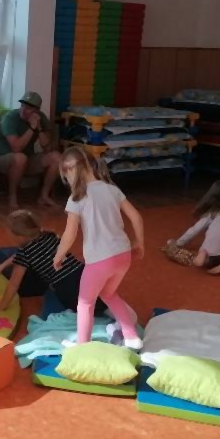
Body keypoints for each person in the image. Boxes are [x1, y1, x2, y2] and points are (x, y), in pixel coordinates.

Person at [53, 147, 144, 349]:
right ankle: (132, 337)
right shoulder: (112, 189)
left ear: (70, 169)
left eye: (66, 174)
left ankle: (83, 346)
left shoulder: (77, 198)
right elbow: (136, 217)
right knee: (109, 294)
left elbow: (69, 234)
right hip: (123, 256)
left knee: (85, 303)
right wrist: (139, 242)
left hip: (99, 261)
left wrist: (59, 254)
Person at [0, 209, 106, 317]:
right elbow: (22, 255)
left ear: (19, 237)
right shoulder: (50, 236)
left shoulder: (25, 253)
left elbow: (13, 284)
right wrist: (3, 265)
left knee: (91, 308)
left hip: (68, 287)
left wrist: (2, 305)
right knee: (104, 299)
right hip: (83, 273)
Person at [0, 91, 62, 208]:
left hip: (28, 159)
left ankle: (44, 196)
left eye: (28, 108)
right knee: (20, 158)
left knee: (56, 157)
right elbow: (16, 148)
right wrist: (32, 128)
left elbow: (48, 148)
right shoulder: (10, 118)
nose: (23, 110)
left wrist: (39, 128)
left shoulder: (41, 118)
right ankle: (12, 196)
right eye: (22, 106)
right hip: (5, 159)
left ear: (37, 110)